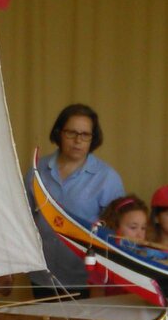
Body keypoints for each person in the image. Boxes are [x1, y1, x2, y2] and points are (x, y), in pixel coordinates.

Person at [26, 103, 124, 299]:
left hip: (86, 279)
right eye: (71, 133)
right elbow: (22, 218)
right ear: (59, 133)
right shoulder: (37, 170)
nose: (78, 140)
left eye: (85, 134)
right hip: (42, 275)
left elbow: (117, 233)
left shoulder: (107, 178)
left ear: (93, 138)